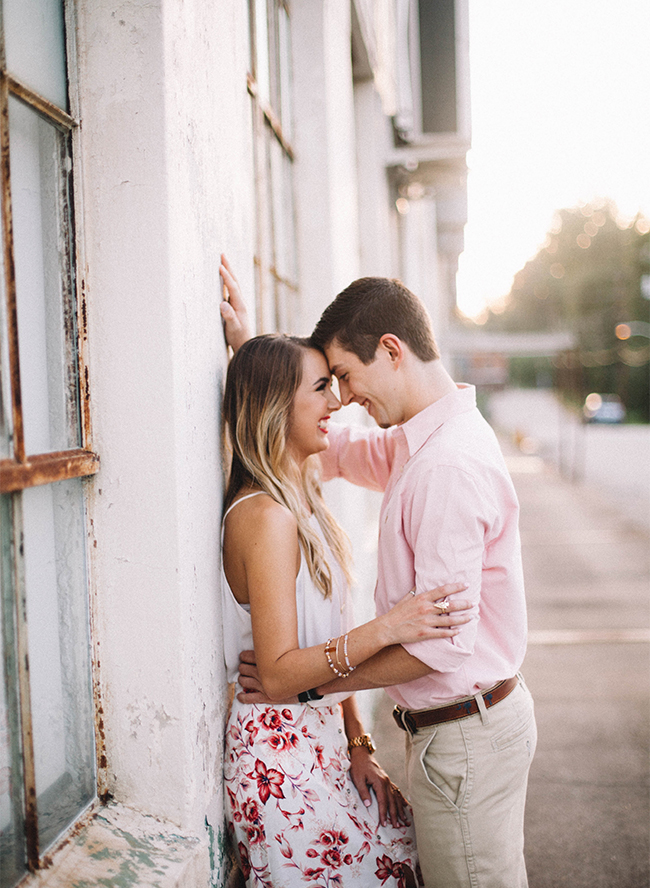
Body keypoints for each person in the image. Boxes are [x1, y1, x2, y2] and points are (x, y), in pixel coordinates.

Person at [220, 258, 537, 888]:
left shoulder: (445, 466)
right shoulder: (415, 444)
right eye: (327, 383)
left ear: (390, 350)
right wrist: (253, 358)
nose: (344, 397)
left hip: (466, 733)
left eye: (343, 375)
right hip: (448, 734)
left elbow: (442, 647)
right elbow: (314, 445)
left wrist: (306, 684)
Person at [220, 331, 471, 887]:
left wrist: (359, 742)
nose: (337, 403)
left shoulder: (303, 496)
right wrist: (386, 629)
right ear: (275, 406)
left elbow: (323, 648)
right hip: (278, 751)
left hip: (324, 733)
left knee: (398, 853)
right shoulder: (265, 518)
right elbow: (282, 673)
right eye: (320, 388)